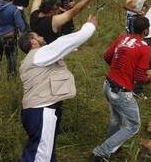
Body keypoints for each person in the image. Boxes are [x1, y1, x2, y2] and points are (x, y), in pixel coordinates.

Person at [18, 15, 98, 162]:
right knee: (41, 157)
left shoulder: (30, 60)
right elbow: (65, 43)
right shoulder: (39, 54)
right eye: (38, 36)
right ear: (33, 42)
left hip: (36, 111)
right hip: (42, 110)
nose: (42, 37)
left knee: (42, 152)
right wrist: (89, 27)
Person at [91, 17, 151, 161]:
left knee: (116, 120)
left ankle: (112, 147)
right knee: (133, 125)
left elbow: (107, 56)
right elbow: (139, 77)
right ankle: (101, 152)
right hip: (121, 92)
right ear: (146, 30)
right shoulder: (145, 48)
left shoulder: (122, 38)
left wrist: (120, 68)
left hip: (108, 84)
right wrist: (149, 79)